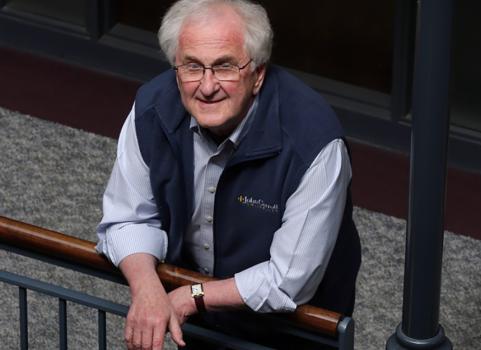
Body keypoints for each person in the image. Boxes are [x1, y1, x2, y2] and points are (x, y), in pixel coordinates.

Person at [96, 0, 361, 349]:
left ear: (258, 74)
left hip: (290, 336)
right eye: (192, 66)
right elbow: (126, 219)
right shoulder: (152, 109)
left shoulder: (313, 141)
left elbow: (288, 280)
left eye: (224, 67)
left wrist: (190, 295)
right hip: (198, 328)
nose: (207, 87)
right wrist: (148, 292)